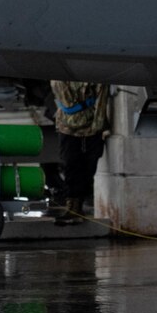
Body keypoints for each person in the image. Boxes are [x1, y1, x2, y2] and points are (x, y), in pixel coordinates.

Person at [50, 81, 108, 224]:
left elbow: (101, 98)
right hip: (67, 126)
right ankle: (73, 206)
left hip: (91, 126)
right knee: (70, 164)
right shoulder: (59, 78)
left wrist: (98, 126)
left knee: (89, 165)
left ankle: (78, 205)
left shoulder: (91, 75)